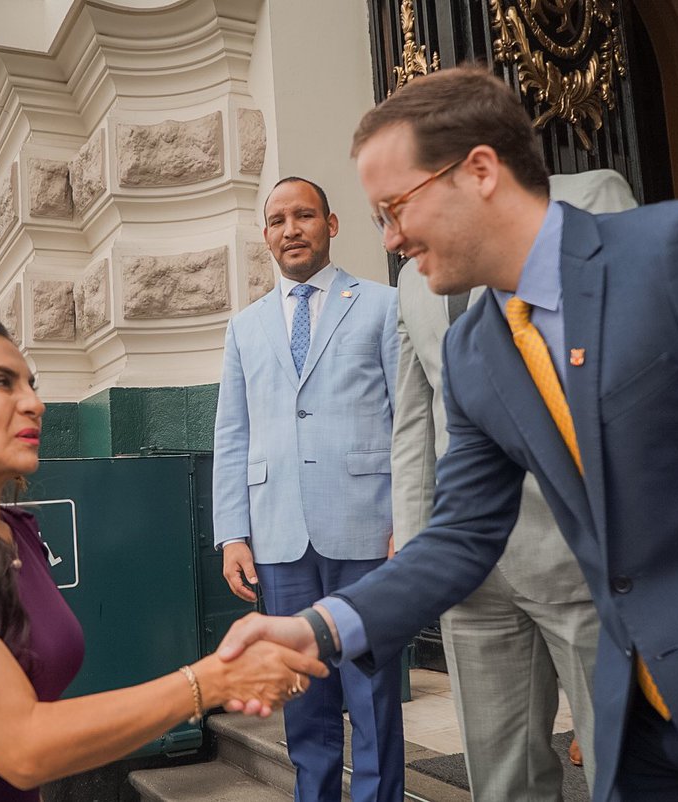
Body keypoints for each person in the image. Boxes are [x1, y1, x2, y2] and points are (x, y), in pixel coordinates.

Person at [220, 67, 678, 802]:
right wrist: (318, 630)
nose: (390, 239)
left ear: (480, 171)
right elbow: (460, 537)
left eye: (396, 207)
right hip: (645, 742)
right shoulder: (475, 351)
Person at [0, 316, 325, 801]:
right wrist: (211, 680)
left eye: (31, 384)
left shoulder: (15, 534)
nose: (34, 404)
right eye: (1, 382)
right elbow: (22, 746)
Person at [392, 168, 635, 800]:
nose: (393, 232)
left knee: (629, 765)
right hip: (472, 575)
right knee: (500, 780)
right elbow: (415, 427)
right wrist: (424, 559)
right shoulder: (408, 278)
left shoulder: (588, 198)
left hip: (578, 555)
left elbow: (636, 370)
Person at [212, 176, 402, 802]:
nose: (290, 229)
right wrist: (232, 535)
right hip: (278, 534)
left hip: (367, 526)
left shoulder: (380, 304)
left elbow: (408, 417)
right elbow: (233, 433)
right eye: (277, 221)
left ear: (331, 223)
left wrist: (408, 516)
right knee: (299, 690)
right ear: (266, 236)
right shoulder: (245, 327)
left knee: (370, 687)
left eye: (303, 216)